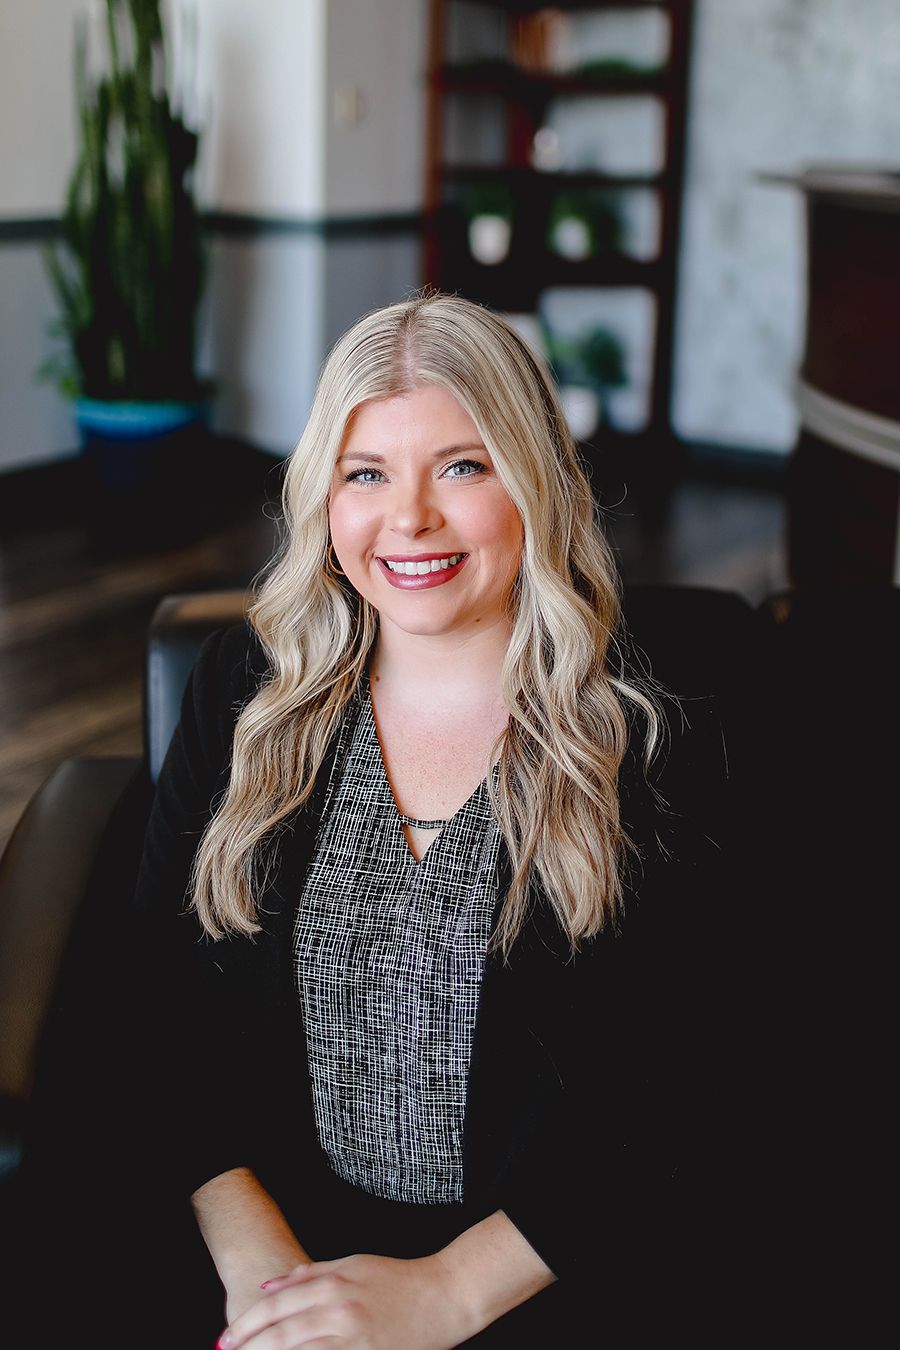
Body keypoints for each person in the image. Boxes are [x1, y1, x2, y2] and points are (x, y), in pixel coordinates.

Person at [130, 291, 733, 1347]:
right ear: (325, 495)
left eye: (462, 466)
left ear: (534, 481)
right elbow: (158, 996)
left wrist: (448, 1293)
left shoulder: (653, 720)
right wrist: (256, 1262)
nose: (407, 520)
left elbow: (690, 1065)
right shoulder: (248, 692)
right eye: (366, 474)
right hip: (273, 1268)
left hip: (552, 1275)